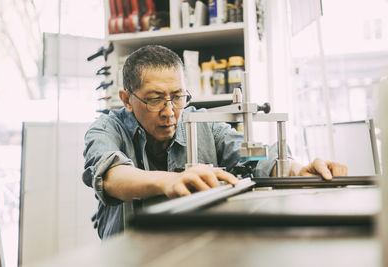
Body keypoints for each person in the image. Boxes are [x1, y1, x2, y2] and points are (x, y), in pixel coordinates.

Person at [82, 45, 347, 239]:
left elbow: (253, 159)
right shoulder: (106, 128)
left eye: (177, 96)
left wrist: (296, 170)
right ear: (127, 99)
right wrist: (170, 181)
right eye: (154, 99)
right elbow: (110, 177)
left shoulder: (203, 124)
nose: (170, 111)